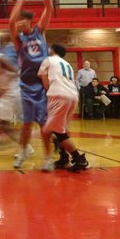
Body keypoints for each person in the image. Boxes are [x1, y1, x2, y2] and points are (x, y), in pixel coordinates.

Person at [9, 0, 53, 169]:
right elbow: (9, 22)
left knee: (44, 124)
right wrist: (21, 0)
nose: (17, 24)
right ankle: (22, 153)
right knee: (26, 123)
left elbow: (49, 8)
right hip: (26, 85)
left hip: (42, 84)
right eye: (17, 21)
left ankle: (48, 158)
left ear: (28, 21)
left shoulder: (39, 32)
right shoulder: (19, 40)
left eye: (21, 21)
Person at [39, 44, 89, 172]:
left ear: (53, 50)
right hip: (73, 96)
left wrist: (48, 90)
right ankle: (64, 158)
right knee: (60, 130)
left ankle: (79, 159)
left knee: (48, 131)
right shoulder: (67, 64)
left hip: (58, 96)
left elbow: (42, 75)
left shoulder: (48, 60)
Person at [0, 35, 24, 145]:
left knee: (7, 124)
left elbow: (16, 71)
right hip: (6, 93)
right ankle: (26, 147)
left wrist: (5, 84)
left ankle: (28, 146)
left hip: (12, 91)